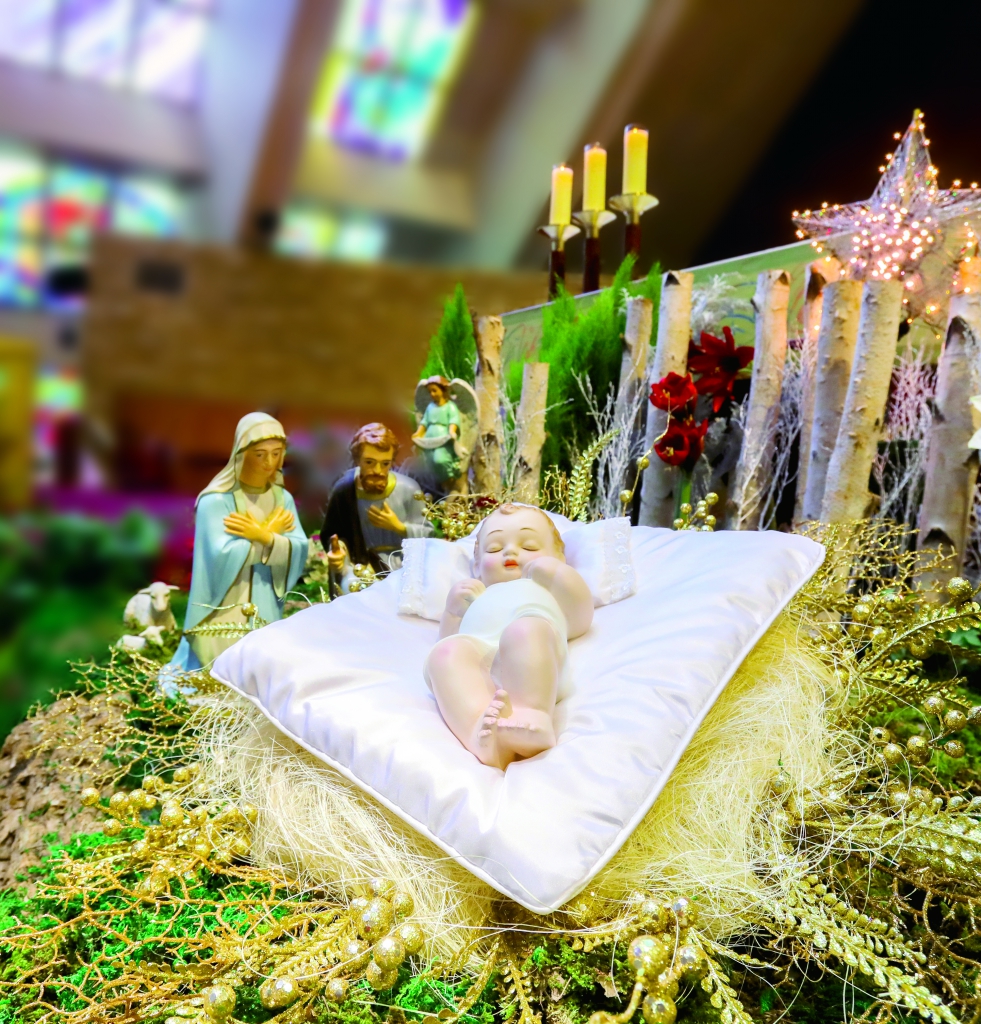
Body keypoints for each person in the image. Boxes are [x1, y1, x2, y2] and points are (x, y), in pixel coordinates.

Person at [424, 504, 593, 770]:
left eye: (529, 546)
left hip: (533, 664)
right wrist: (453, 611)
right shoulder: (478, 595)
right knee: (444, 654)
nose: (510, 552)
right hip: (479, 664)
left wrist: (557, 574)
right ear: (477, 565)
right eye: (493, 549)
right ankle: (479, 731)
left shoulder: (541, 586)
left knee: (523, 631)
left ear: (559, 556)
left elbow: (581, 617)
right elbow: (446, 639)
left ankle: (531, 714)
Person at [169, 412, 308, 673]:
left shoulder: (283, 499)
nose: (269, 462)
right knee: (220, 668)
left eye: (276, 453)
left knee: (262, 665)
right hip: (222, 608)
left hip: (265, 604)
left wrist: (263, 537)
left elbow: (299, 548)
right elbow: (219, 557)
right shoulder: (215, 501)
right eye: (260, 454)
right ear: (242, 453)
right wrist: (270, 534)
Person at [322, 422, 431, 588]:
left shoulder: (408, 489)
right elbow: (334, 535)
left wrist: (399, 527)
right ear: (357, 460)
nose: (378, 470)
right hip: (361, 565)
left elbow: (429, 534)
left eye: (385, 464)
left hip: (403, 564)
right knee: (353, 587)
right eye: (369, 462)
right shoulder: (344, 491)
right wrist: (338, 554)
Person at [412, 375, 463, 492]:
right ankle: (443, 486)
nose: (432, 394)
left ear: (443, 390)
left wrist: (451, 431)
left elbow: (453, 420)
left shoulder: (450, 406)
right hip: (429, 439)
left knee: (440, 460)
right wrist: (418, 433)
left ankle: (450, 479)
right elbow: (424, 422)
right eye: (430, 391)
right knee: (430, 462)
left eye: (434, 390)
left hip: (443, 439)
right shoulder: (430, 407)